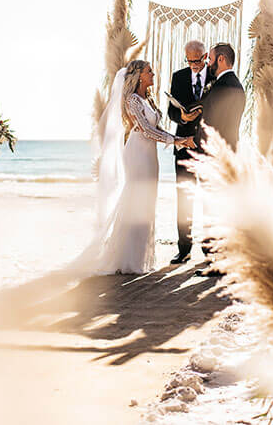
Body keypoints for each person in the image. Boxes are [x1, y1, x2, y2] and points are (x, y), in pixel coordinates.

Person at [72, 60, 194, 277]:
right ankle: (127, 260)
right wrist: (176, 141)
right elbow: (146, 131)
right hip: (137, 154)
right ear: (138, 76)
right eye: (149, 71)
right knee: (135, 202)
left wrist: (179, 137)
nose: (153, 74)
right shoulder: (132, 100)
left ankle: (139, 258)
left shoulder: (148, 99)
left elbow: (156, 128)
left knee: (147, 204)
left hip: (150, 156)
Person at [195, 42, 246, 276]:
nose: (208, 64)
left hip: (217, 156)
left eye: (211, 59)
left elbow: (213, 124)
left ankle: (217, 262)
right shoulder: (235, 85)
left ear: (222, 60)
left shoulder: (225, 86)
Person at [167, 40, 214, 264]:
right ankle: (184, 249)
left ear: (205, 56)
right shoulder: (179, 77)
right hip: (184, 146)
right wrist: (182, 117)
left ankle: (210, 251)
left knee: (208, 199)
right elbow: (170, 111)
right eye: (189, 60)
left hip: (208, 149)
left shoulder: (216, 78)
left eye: (197, 60)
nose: (193, 65)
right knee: (184, 199)